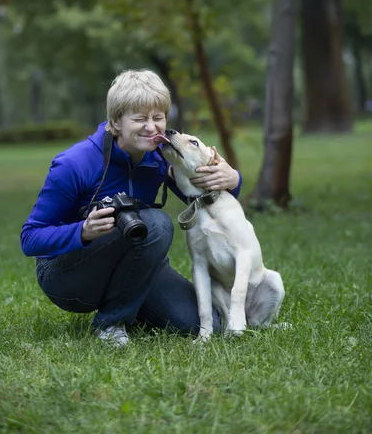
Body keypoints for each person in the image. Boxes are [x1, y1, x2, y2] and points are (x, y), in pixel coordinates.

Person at [21, 69, 242, 346]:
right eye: (139, 118)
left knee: (198, 323)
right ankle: (111, 323)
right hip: (68, 276)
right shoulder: (74, 164)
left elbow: (204, 197)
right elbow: (30, 239)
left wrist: (233, 179)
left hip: (135, 264)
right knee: (157, 223)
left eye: (158, 117)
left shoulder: (161, 157)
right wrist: (83, 231)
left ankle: (131, 305)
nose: (151, 127)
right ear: (115, 121)